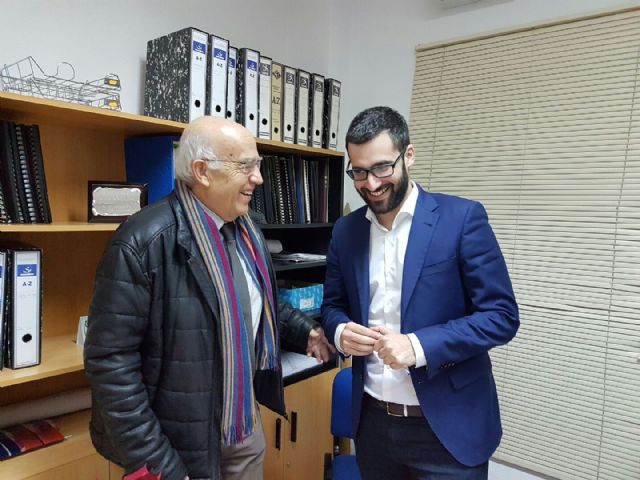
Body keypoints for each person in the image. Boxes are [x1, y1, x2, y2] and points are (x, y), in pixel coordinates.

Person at [84, 116, 334, 480]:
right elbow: (111, 367)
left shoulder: (247, 230)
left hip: (242, 427)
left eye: (258, 165)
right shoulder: (143, 242)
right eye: (245, 166)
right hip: (176, 446)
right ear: (202, 171)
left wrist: (305, 331)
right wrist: (160, 465)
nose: (258, 178)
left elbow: (257, 303)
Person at [321, 106, 519, 480]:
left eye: (382, 168)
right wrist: (340, 332)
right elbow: (333, 306)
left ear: (408, 155)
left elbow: (501, 317)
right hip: (373, 426)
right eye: (359, 172)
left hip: (447, 431)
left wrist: (418, 346)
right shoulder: (346, 232)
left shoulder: (461, 219)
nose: (371, 184)